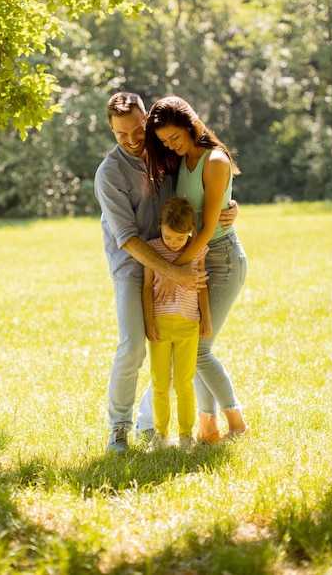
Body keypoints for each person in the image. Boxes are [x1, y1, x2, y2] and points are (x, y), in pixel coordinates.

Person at [94, 92, 238, 453]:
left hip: (180, 258)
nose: (130, 140)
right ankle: (119, 430)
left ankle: (150, 423)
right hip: (135, 267)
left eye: (136, 131)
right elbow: (127, 239)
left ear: (147, 121)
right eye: (120, 134)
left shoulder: (165, 155)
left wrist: (231, 207)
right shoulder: (109, 174)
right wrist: (174, 272)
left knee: (177, 343)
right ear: (110, 130)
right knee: (133, 346)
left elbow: (204, 181)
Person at [144, 95, 249, 442]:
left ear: (191, 125)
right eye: (164, 142)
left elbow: (207, 229)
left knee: (200, 348)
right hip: (196, 256)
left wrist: (175, 268)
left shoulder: (214, 159)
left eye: (175, 137)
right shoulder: (183, 160)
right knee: (196, 346)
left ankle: (237, 424)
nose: (170, 146)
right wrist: (176, 268)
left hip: (221, 257)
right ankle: (209, 425)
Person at [143, 197, 212, 453]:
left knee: (184, 383)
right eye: (169, 237)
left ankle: (185, 436)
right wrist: (149, 322)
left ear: (191, 231)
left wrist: (206, 317)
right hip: (160, 325)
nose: (173, 244)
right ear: (160, 226)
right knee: (160, 383)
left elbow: (202, 287)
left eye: (180, 239)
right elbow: (147, 286)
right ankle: (160, 435)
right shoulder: (151, 249)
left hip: (188, 325)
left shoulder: (197, 250)